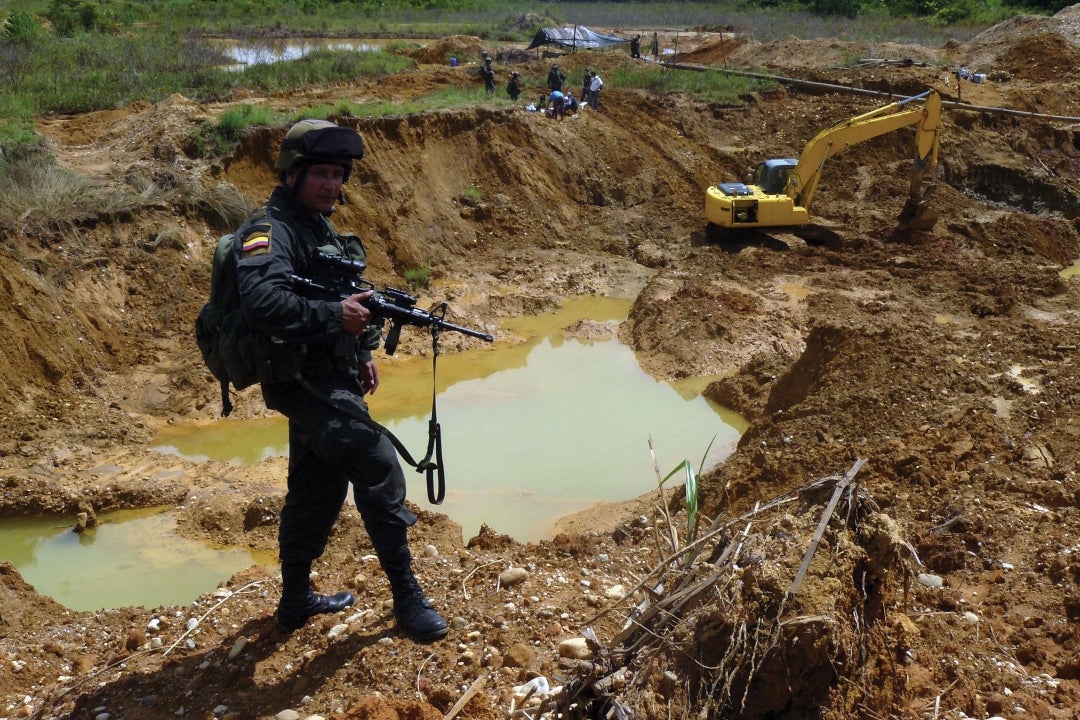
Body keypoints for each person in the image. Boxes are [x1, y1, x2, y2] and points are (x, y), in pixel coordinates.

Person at [233, 119, 449, 643]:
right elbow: (264, 303)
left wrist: (361, 349)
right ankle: (407, 597)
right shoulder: (269, 231)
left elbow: (344, 292)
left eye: (337, 175)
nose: (332, 185)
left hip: (331, 375)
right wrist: (336, 318)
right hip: (298, 380)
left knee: (317, 486)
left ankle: (294, 602)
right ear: (292, 174)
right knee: (375, 460)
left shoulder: (316, 225)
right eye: (321, 175)